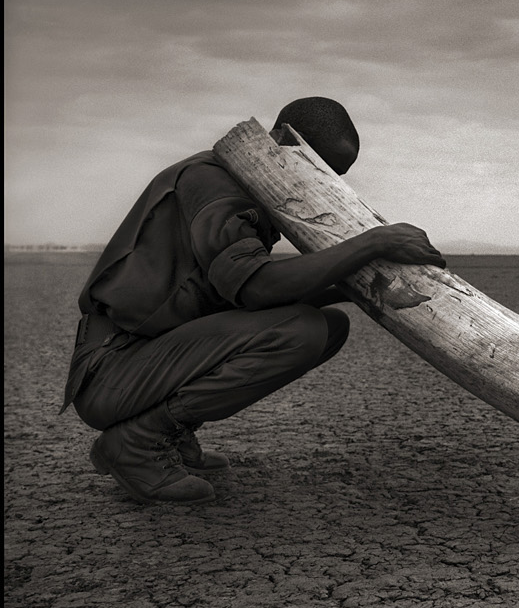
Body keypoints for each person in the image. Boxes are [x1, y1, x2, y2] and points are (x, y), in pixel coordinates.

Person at [62, 96, 443, 504]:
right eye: (319, 168)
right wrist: (373, 242)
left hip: (145, 360)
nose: (323, 184)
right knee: (301, 331)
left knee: (331, 326)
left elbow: (240, 297)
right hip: (113, 370)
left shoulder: (243, 185)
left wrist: (356, 290)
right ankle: (138, 441)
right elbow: (257, 288)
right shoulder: (214, 183)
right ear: (282, 141)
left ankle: (167, 432)